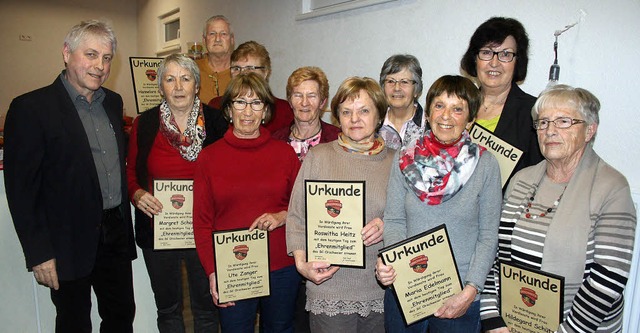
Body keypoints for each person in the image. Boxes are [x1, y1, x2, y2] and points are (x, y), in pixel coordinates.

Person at [4, 20, 136, 332]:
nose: (100, 66)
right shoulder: (30, 108)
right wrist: (39, 253)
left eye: (106, 58)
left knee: (121, 317)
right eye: (90, 55)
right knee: (74, 323)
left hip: (114, 235)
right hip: (66, 242)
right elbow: (22, 191)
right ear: (66, 53)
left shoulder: (113, 103)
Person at [480, 85, 636, 333]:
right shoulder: (521, 180)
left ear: (589, 130)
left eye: (563, 121)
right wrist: (492, 318)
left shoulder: (612, 188)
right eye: (542, 123)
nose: (549, 131)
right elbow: (497, 255)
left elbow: (607, 280)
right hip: (513, 324)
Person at [376, 75, 502, 333]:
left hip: (460, 295)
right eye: (439, 105)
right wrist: (393, 263)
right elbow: (395, 220)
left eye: (458, 109)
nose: (446, 116)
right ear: (429, 112)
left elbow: (489, 236)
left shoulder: (486, 165)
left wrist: (470, 291)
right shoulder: (404, 158)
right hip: (408, 288)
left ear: (470, 119)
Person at [126, 53, 227, 332]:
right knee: (168, 308)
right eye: (170, 79)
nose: (179, 86)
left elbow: (229, 173)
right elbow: (131, 173)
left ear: (197, 86)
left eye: (186, 79)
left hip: (204, 230)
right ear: (161, 87)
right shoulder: (144, 124)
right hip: (159, 229)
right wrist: (136, 194)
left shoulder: (217, 123)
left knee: (207, 307)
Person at [193, 72, 301, 333]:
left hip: (281, 266)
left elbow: (303, 207)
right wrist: (212, 271)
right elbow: (202, 222)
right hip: (234, 266)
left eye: (256, 103)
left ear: (266, 111)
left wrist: (280, 216)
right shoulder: (209, 158)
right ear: (229, 109)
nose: (248, 111)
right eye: (240, 102)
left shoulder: (285, 154)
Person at [287, 77, 392, 333]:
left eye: (363, 110)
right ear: (337, 117)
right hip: (329, 286)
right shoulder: (318, 157)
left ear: (379, 115)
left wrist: (385, 224)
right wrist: (302, 265)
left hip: (380, 286)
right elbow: (297, 217)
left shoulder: (396, 162)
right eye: (346, 112)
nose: (354, 118)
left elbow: (410, 217)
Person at [460, 17, 543, 184]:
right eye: (486, 52)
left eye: (506, 54)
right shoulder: (457, 105)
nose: (494, 63)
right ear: (475, 59)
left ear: (517, 61)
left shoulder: (534, 113)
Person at [209, 41, 294, 133]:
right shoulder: (216, 106)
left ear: (265, 72)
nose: (242, 73)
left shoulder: (284, 110)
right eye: (236, 69)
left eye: (249, 68)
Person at [272, 66, 341, 160]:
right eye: (298, 95)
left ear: (322, 102)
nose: (304, 103)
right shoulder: (275, 140)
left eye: (311, 96)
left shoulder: (337, 140)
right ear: (290, 101)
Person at [378, 54, 427, 150]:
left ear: (416, 90)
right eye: (391, 81)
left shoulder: (430, 125)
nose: (396, 88)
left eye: (404, 82)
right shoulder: (374, 124)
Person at [196, 15, 234, 103]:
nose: (217, 39)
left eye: (223, 34)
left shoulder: (242, 71)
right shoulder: (191, 70)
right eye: (212, 34)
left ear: (232, 39)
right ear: (204, 40)